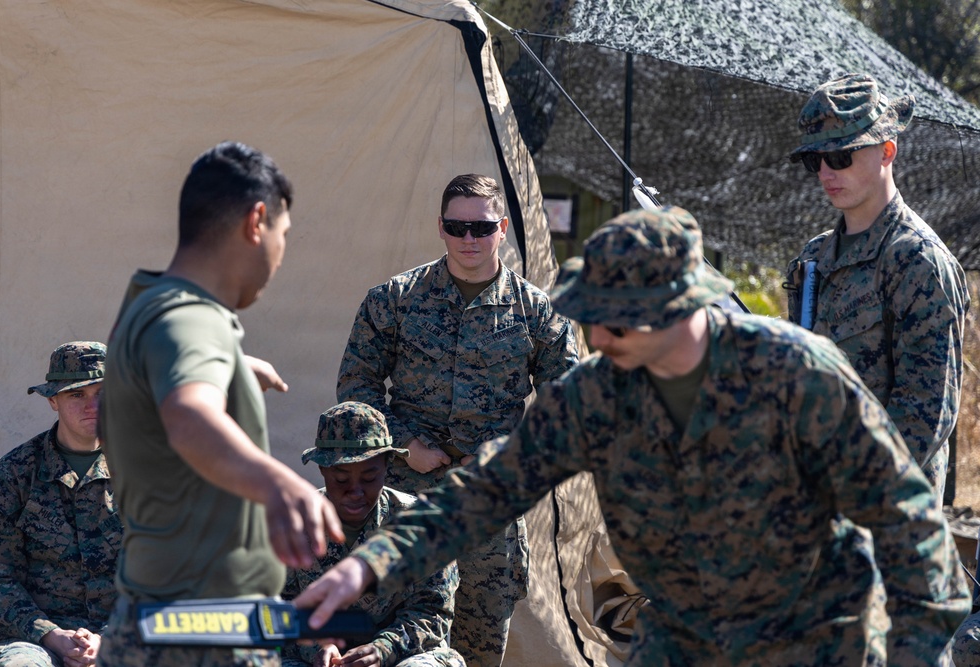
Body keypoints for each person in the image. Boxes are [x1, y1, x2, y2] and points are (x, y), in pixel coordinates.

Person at [297, 206, 970, 665]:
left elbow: (914, 527)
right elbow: (485, 489)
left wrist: (912, 649)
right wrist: (371, 561)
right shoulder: (599, 394)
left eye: (613, 323)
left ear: (674, 312)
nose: (594, 339)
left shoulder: (795, 377)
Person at [97, 141, 343, 666]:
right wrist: (280, 485)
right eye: (284, 235)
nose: (280, 254)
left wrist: (230, 365)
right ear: (257, 221)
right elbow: (189, 416)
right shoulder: (193, 318)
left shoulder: (147, 304)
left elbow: (146, 394)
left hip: (157, 621)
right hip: (204, 635)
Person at [336, 173, 579, 665]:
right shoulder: (393, 300)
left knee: (477, 648)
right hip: (402, 505)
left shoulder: (537, 313)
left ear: (503, 228)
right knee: (387, 643)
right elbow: (357, 389)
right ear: (441, 228)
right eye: (457, 226)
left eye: (482, 228)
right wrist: (403, 445)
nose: (469, 239)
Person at [784, 72, 970, 502]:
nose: (827, 172)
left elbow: (925, 416)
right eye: (817, 160)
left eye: (842, 156)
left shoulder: (916, 261)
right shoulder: (815, 259)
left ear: (887, 150)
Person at [281, 402, 465, 667]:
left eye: (369, 478)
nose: (355, 492)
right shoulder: (293, 523)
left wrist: (384, 648)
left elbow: (433, 611)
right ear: (322, 470)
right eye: (341, 480)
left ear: (388, 466)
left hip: (402, 655)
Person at [0, 341, 119, 667]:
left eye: (101, 392)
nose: (92, 405)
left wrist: (107, 639)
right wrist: (51, 634)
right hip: (31, 638)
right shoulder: (12, 477)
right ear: (53, 400)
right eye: (76, 395)